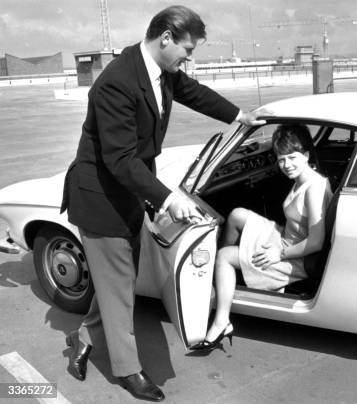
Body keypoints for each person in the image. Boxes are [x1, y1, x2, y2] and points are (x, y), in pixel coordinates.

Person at [59, 5, 266, 402]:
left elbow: (195, 93)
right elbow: (119, 159)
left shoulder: (162, 72)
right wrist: (169, 198)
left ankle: (83, 338)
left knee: (117, 285)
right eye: (187, 50)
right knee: (120, 288)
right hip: (102, 200)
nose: (189, 58)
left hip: (132, 194)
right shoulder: (116, 83)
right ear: (165, 37)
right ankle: (129, 372)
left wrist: (239, 116)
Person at [198, 124, 332, 352]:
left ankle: (222, 320)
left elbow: (316, 242)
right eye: (281, 159)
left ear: (306, 155)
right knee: (237, 215)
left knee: (224, 256)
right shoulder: (306, 178)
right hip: (284, 238)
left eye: (292, 157)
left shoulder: (314, 188)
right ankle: (223, 277)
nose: (286, 165)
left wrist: (277, 253)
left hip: (295, 257)